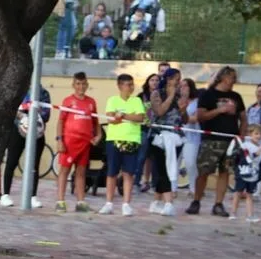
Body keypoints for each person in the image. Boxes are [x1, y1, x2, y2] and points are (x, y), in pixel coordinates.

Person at [186, 66, 246, 218]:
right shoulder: (208, 94)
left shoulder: (237, 96)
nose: (235, 80)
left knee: (225, 172)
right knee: (203, 172)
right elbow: (200, 117)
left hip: (231, 141)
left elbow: (243, 118)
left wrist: (242, 137)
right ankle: (196, 201)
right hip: (211, 140)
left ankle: (218, 204)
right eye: (233, 77)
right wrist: (220, 110)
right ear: (224, 77)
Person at [98, 74, 146, 216]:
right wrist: (123, 117)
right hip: (114, 140)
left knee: (128, 173)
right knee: (112, 172)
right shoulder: (112, 100)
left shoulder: (137, 100)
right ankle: (109, 203)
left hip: (131, 140)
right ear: (120, 86)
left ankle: (126, 204)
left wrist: (124, 116)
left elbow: (140, 118)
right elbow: (112, 118)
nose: (131, 87)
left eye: (132, 84)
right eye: (128, 84)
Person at [54, 72, 101, 213]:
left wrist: (98, 135)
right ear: (73, 85)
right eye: (78, 84)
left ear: (87, 85)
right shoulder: (68, 101)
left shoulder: (91, 102)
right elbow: (60, 121)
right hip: (69, 141)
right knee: (64, 171)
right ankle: (60, 201)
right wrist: (60, 140)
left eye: (83, 84)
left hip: (85, 143)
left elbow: (96, 121)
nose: (81, 87)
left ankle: (81, 202)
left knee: (81, 172)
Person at [0, 86, 51, 209]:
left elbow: (46, 114)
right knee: (11, 162)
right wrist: (22, 117)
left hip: (37, 132)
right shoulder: (18, 90)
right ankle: (5, 194)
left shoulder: (43, 93)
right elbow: (10, 109)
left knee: (34, 165)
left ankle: (33, 196)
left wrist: (36, 115)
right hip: (18, 131)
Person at [147, 68, 187, 216]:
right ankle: (169, 202)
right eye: (175, 78)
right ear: (168, 79)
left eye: (179, 78)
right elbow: (159, 112)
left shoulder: (180, 96)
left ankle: (155, 203)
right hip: (159, 137)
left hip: (176, 137)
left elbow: (185, 120)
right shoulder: (157, 94)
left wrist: (184, 110)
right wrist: (170, 97)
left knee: (168, 167)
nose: (178, 81)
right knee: (163, 169)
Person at [227, 125, 261, 223]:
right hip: (243, 172)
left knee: (249, 195)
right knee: (238, 192)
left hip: (253, 174)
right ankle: (233, 213)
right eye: (256, 133)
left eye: (260, 134)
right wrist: (257, 153)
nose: (259, 136)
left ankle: (250, 215)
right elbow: (247, 158)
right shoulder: (245, 145)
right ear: (249, 134)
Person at [179, 78, 202, 197]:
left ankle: (194, 188)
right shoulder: (177, 100)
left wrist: (184, 112)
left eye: (185, 86)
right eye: (181, 86)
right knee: (174, 162)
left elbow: (194, 119)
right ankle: (172, 188)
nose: (182, 88)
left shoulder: (197, 102)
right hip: (178, 136)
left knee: (190, 163)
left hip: (192, 136)